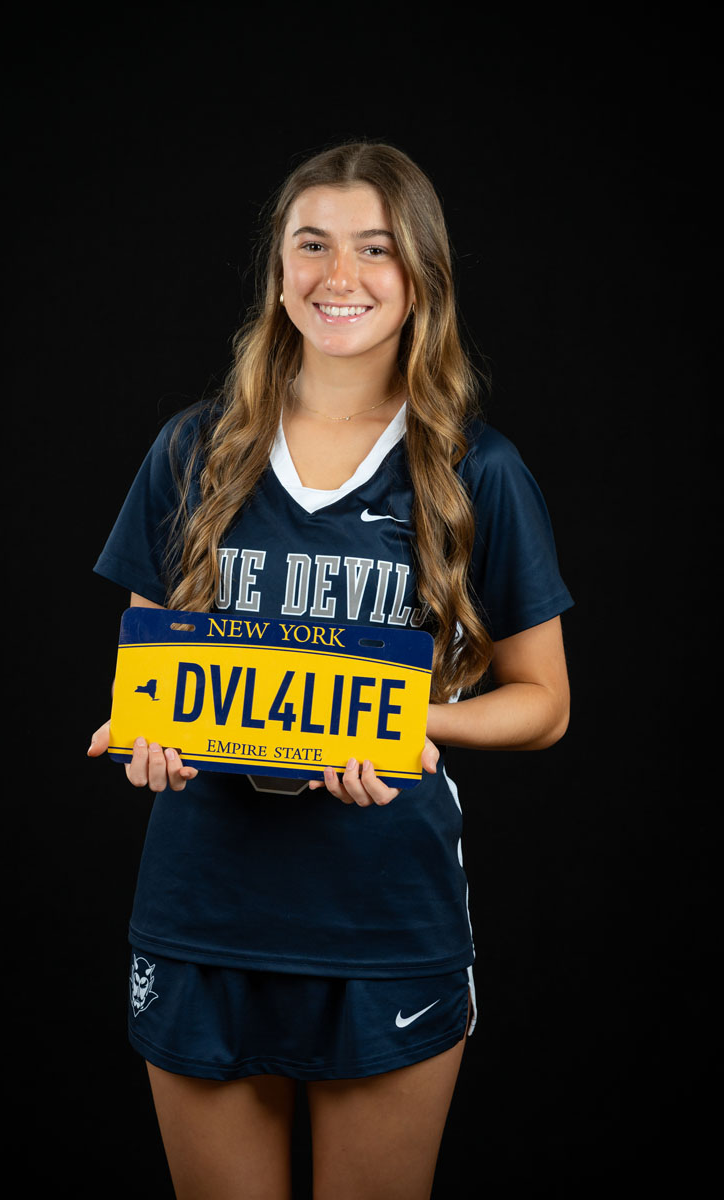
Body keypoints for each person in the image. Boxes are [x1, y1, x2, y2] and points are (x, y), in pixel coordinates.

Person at [88, 141, 572, 1200]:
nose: (337, 275)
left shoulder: (473, 468)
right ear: (277, 271)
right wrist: (142, 742)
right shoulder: (193, 451)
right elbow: (148, 674)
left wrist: (407, 722)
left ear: (420, 278)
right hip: (203, 909)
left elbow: (544, 705)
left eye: (374, 249)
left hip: (384, 918)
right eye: (311, 245)